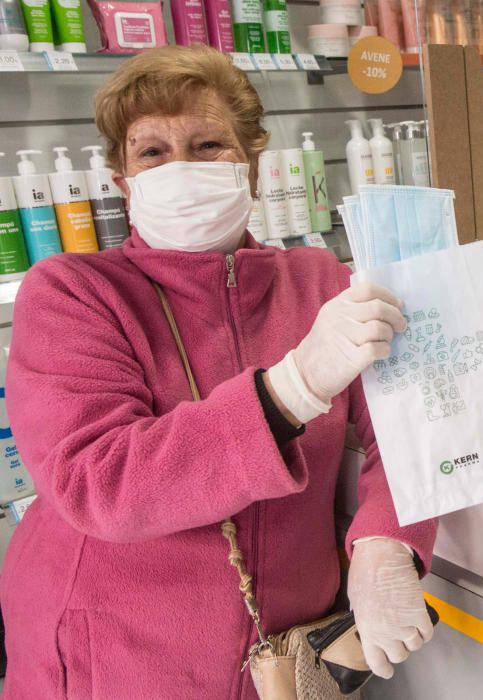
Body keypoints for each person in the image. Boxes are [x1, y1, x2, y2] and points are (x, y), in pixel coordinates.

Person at [0, 45, 437, 699]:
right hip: (114, 658)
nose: (180, 168)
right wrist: (295, 385)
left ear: (252, 169)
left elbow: (409, 425)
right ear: (124, 182)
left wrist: (387, 543)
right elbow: (101, 481)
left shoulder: (319, 281)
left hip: (286, 658)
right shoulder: (72, 292)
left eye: (207, 144)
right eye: (152, 153)